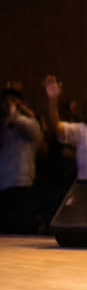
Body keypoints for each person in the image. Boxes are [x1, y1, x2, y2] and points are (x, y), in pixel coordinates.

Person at [0, 89, 43, 233]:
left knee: (21, 229)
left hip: (21, 183)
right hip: (3, 183)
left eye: (12, 101)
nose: (8, 105)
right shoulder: (3, 125)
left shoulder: (29, 123)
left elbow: (33, 131)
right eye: (6, 102)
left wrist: (15, 112)